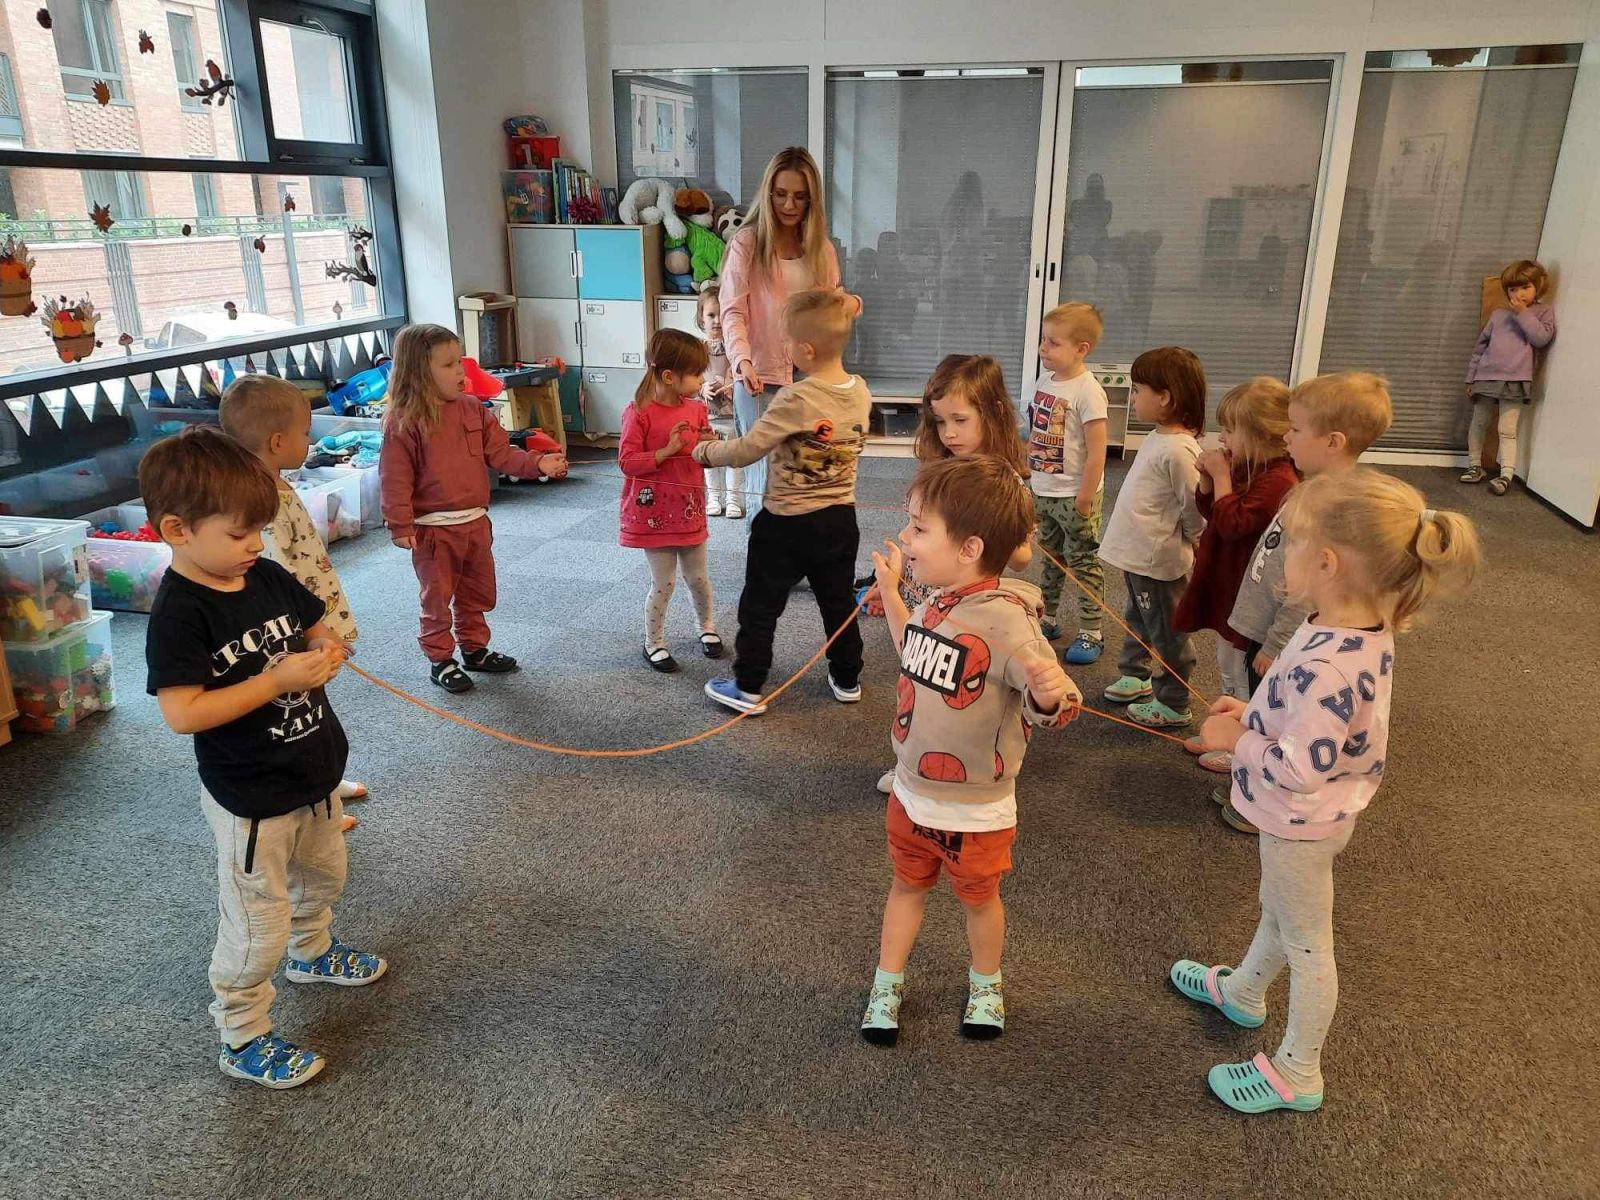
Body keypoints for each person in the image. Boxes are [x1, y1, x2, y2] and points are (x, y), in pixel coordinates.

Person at [1175, 469, 1480, 1114]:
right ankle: (1244, 992)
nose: (1279, 551)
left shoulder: (1329, 664)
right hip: (1313, 815)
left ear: (1327, 562)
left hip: (1302, 819)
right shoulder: (1352, 626)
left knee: (1309, 945)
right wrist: (1254, 713)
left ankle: (1297, 1071)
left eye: (1290, 540)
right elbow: (1316, 721)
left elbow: (1300, 767)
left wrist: (1238, 740)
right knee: (1279, 910)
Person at [141, 427, 387, 1090]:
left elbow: (317, 627)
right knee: (256, 924)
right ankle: (243, 1033)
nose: (255, 544)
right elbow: (182, 713)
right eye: (239, 533)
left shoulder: (265, 574)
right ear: (177, 530)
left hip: (314, 771)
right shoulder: (180, 615)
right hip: (250, 796)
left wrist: (326, 649)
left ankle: (313, 951)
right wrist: (276, 682)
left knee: (324, 876)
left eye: (259, 529)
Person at [859, 456, 1080, 1046]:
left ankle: (986, 983)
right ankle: (887, 983)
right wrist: (892, 592)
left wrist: (1048, 693)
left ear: (970, 548)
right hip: (911, 793)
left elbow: (1058, 703)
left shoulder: (1009, 623)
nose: (905, 538)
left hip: (976, 812)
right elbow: (912, 647)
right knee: (906, 886)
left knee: (980, 901)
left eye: (918, 528)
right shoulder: (939, 600)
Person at [1220, 372, 1392, 832]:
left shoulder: (1334, 510)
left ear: (1333, 441)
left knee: (1288, 716)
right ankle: (1253, 769)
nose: (1286, 437)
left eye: (1295, 429)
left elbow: (1322, 592)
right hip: (1280, 633)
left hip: (1286, 642)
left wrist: (1277, 643)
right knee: (1271, 708)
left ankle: (1263, 801)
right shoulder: (1313, 489)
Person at [860, 354, 1034, 794]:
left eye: (960, 420)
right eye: (940, 422)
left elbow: (1021, 558)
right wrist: (894, 580)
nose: (949, 433)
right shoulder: (941, 469)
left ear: (993, 413)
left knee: (960, 689)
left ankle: (962, 766)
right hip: (927, 593)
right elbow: (921, 530)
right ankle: (912, 760)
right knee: (917, 676)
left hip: (971, 606)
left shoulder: (1005, 481)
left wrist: (1013, 535)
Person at [692, 290, 871, 714]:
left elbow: (747, 449)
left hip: (786, 524)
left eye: (786, 341)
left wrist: (704, 452)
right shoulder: (861, 392)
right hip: (840, 521)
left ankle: (747, 687)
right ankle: (847, 677)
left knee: (760, 605)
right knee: (838, 603)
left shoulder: (795, 398)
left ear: (805, 350)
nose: (784, 348)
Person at [378, 323, 568, 694]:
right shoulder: (403, 422)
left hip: (476, 522)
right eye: (448, 365)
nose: (460, 372)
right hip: (433, 529)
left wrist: (538, 464)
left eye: (460, 362)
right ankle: (440, 660)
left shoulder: (472, 409)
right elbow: (394, 477)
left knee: (476, 592)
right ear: (419, 372)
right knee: (437, 598)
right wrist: (399, 524)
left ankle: (474, 649)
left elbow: (501, 454)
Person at [219, 374, 366, 833]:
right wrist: (310, 634)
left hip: (310, 616)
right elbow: (274, 576)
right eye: (305, 433)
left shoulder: (276, 483)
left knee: (314, 711)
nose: (309, 440)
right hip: (292, 631)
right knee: (296, 717)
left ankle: (324, 784)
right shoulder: (256, 502)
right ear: (278, 441)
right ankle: (314, 800)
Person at [718, 146, 861, 516]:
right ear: (767, 193)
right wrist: (742, 361)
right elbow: (732, 311)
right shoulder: (747, 243)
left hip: (811, 378)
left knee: (806, 476)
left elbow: (829, 308)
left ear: (812, 200)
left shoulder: (821, 249)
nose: (788, 205)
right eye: (780, 194)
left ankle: (801, 549)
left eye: (799, 196)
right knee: (764, 483)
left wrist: (851, 304)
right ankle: (762, 551)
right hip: (758, 376)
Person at [1173, 376, 1298, 775]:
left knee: (1242, 671)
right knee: (1227, 663)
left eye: (1229, 430)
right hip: (1228, 583)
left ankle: (1242, 742)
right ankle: (1227, 726)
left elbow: (1233, 524)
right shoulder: (1249, 467)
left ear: (1258, 435)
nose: (1222, 438)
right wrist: (1209, 480)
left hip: (1249, 594)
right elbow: (1212, 512)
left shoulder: (1279, 480)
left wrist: (1222, 478)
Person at [1097, 347, 1207, 728]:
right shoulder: (1158, 438)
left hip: (1157, 560)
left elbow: (1194, 504)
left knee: (1167, 629)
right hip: (1139, 555)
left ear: (1165, 398)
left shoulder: (1180, 451)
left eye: (1138, 390)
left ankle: (1174, 701)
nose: (1133, 397)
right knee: (1139, 617)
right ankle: (1136, 673)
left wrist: (1198, 540)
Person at [618, 328, 722, 672]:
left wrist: (708, 444)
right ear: (668, 376)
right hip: (655, 515)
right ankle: (654, 643)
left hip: (689, 510)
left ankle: (706, 628)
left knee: (698, 578)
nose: (701, 380)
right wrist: (667, 450)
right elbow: (627, 462)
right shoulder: (638, 412)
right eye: (695, 373)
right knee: (664, 582)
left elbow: (703, 457)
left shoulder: (696, 409)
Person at [1027, 302, 1110, 663]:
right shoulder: (1044, 381)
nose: (1043, 348)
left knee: (1083, 562)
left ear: (1081, 349)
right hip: (1043, 490)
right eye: (1044, 340)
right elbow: (1036, 432)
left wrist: (1085, 498)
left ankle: (1092, 631)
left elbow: (1097, 452)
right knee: (1051, 558)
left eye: (1053, 342)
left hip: (1075, 495)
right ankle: (1048, 618)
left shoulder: (1088, 391)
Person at [1462, 259, 1556, 496]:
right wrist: (1471, 378)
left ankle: (1506, 474)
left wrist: (1523, 313)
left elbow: (1541, 339)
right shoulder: (1498, 315)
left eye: (1525, 287)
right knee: (1479, 422)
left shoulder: (1543, 312)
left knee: (1507, 428)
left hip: (1516, 379)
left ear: (1538, 286)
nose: (1519, 294)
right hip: (1486, 376)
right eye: (1513, 289)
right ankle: (1474, 465)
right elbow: (1479, 349)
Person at [694, 288, 744, 518]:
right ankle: (714, 498)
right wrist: (701, 388)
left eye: (721, 315)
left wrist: (732, 386)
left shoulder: (735, 347)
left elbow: (740, 373)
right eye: (711, 315)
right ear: (701, 318)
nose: (716, 321)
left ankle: (733, 499)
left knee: (734, 459)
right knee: (710, 458)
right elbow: (691, 379)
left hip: (732, 414)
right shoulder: (697, 349)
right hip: (707, 417)